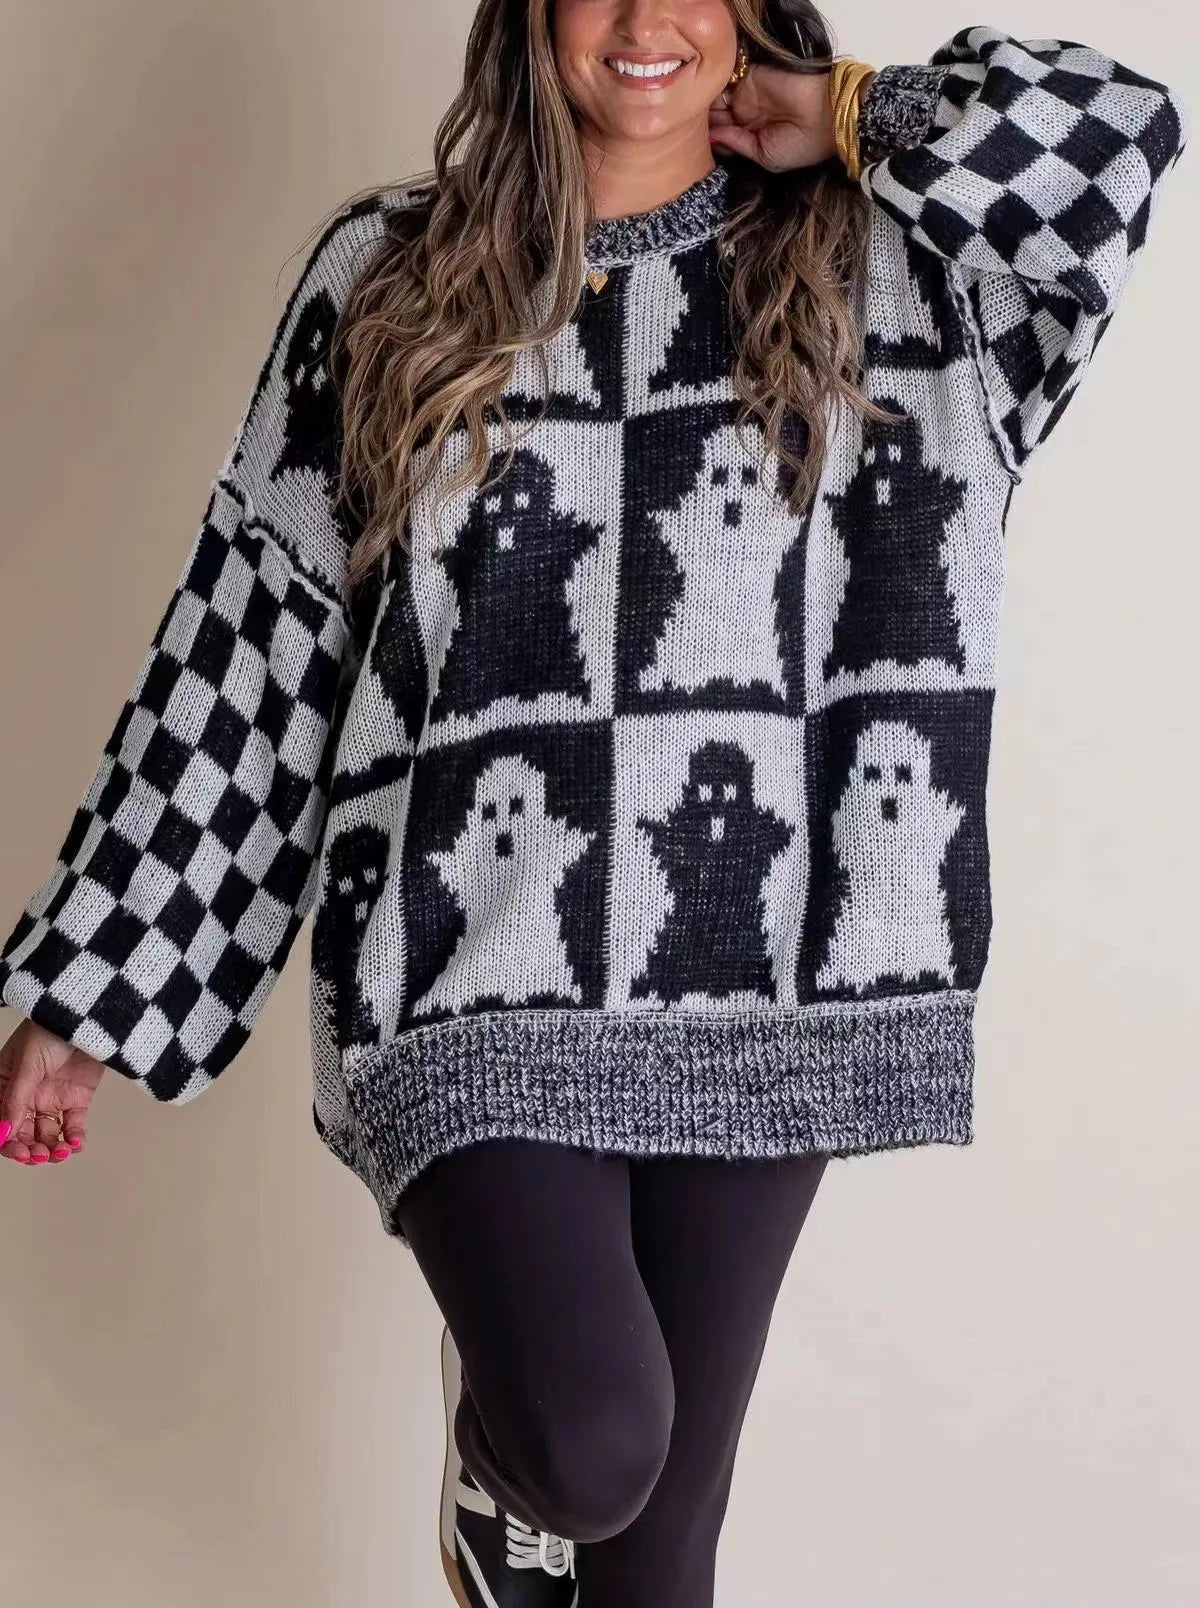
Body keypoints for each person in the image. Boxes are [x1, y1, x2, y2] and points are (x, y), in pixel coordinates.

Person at [0, 3, 1187, 1604]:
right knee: (588, 1444)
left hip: (770, 974)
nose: (645, 22)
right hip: (467, 953)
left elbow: (1120, 140)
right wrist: (94, 988)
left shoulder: (895, 269)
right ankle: (501, 1471)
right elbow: (258, 633)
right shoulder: (391, 279)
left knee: (656, 1564)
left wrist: (846, 112)